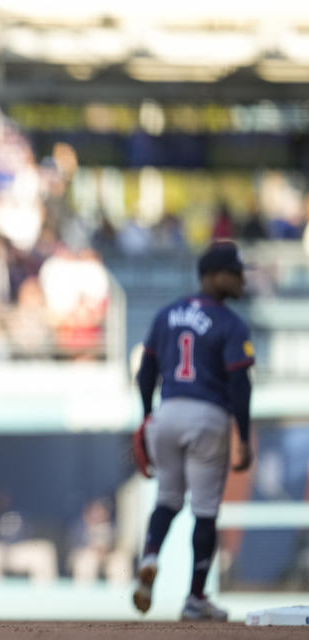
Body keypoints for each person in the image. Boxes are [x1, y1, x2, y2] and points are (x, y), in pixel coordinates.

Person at [131, 239, 255, 622]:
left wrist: (147, 415)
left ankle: (149, 556)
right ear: (214, 276)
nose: (241, 281)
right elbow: (239, 384)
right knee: (204, 511)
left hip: (167, 413)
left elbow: (146, 371)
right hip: (207, 415)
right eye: (234, 273)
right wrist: (244, 436)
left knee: (167, 499)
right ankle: (196, 597)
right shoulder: (231, 322)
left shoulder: (167, 313)